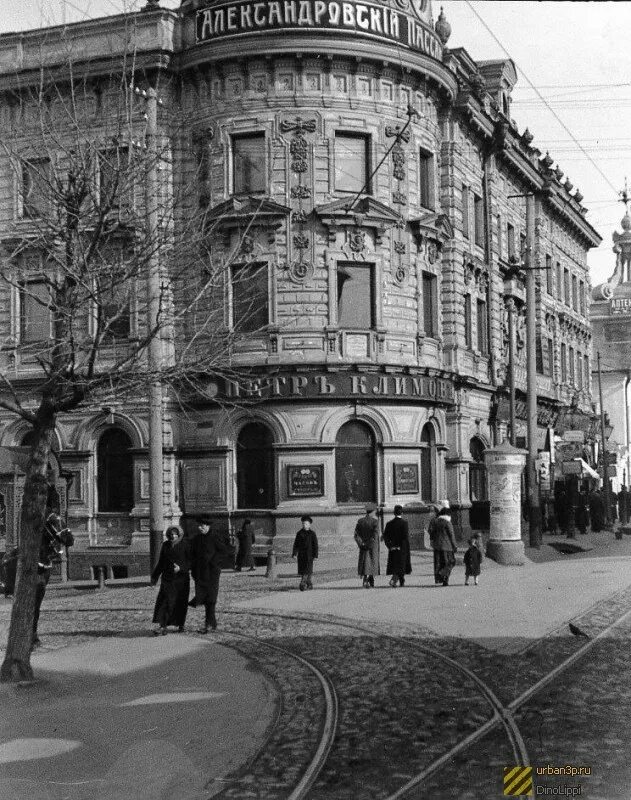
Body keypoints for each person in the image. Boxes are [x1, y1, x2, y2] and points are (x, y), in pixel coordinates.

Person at [188, 515, 233, 633]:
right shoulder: (197, 539)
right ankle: (211, 623)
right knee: (206, 597)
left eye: (202, 526)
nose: (199, 528)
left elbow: (225, 551)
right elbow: (192, 555)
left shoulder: (215, 537)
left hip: (212, 572)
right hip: (200, 572)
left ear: (208, 526)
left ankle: (209, 624)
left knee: (211, 598)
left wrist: (213, 562)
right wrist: (193, 569)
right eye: (199, 526)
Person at [151, 526, 191, 635]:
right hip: (167, 579)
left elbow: (191, 562)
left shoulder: (185, 545)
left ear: (179, 534)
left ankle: (181, 624)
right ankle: (163, 626)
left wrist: (181, 568)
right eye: (171, 534)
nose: (173, 536)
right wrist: (155, 577)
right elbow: (161, 562)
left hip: (181, 580)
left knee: (180, 602)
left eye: (175, 534)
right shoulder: (165, 545)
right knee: (165, 601)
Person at [383, 505, 411, 587]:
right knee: (401, 564)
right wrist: (401, 546)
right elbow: (405, 536)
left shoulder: (389, 524)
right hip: (402, 547)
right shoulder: (404, 523)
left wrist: (390, 545)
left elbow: (385, 536)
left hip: (392, 547)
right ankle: (397, 580)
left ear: (394, 513)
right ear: (401, 513)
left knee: (395, 564)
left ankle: (400, 579)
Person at [354, 503, 380, 588]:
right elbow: (375, 535)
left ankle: (366, 578)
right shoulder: (375, 522)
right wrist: (369, 544)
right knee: (372, 562)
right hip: (372, 546)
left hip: (363, 546)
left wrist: (362, 543)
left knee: (365, 562)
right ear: (372, 511)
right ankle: (370, 579)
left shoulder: (360, 521)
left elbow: (356, 535)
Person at [292, 515, 318, 590]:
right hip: (301, 555)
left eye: (306, 524)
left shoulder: (312, 534)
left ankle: (302, 583)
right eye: (303, 523)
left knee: (308, 569)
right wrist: (294, 554)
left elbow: (315, 545)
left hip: (310, 555)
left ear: (309, 525)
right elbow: (296, 544)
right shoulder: (299, 533)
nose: (304, 525)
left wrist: (315, 555)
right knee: (304, 570)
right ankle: (309, 583)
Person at [433, 507, 457, 587]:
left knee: (439, 563)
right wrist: (455, 546)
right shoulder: (447, 523)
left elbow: (432, 533)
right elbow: (451, 535)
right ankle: (445, 578)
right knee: (450, 562)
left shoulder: (435, 522)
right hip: (447, 546)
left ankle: (440, 578)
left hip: (436, 546)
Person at [426, 506, 441, 584]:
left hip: (435, 542)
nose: (431, 513)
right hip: (443, 543)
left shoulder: (433, 520)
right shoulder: (443, 520)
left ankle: (437, 578)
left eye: (432, 511)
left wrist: (432, 538)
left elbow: (430, 530)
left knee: (437, 560)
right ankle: (443, 577)